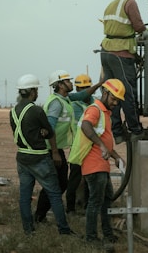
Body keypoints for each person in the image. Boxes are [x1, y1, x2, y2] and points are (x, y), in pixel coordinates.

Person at [9, 74, 73, 235]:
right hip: (39, 157)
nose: (37, 93)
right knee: (54, 193)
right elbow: (50, 133)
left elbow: (24, 132)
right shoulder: (36, 110)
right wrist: (54, 150)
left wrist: (40, 132)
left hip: (22, 157)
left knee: (25, 196)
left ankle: (28, 231)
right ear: (31, 92)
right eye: (36, 90)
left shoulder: (13, 111)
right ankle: (64, 230)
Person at [34, 69, 101, 223]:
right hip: (52, 150)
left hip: (57, 149)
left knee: (60, 183)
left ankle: (41, 215)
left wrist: (100, 83)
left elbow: (83, 95)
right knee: (56, 184)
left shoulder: (66, 99)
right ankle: (40, 216)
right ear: (60, 84)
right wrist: (55, 152)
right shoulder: (56, 104)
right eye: (68, 81)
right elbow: (49, 129)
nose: (71, 83)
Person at [100, 0, 146, 144]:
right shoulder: (130, 3)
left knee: (112, 93)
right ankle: (135, 130)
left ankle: (117, 132)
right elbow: (139, 27)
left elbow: (118, 29)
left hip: (106, 52)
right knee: (128, 93)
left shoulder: (111, 4)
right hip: (120, 54)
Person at [81, 79, 125, 249]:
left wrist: (115, 156)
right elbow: (86, 126)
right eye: (113, 99)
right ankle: (91, 238)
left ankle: (107, 233)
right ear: (105, 93)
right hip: (94, 165)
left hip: (102, 165)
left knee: (106, 200)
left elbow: (104, 140)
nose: (115, 103)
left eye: (118, 101)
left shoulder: (105, 112)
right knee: (96, 202)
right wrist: (100, 146)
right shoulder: (95, 109)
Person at [66, 74, 102, 215]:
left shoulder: (94, 103)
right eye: (81, 88)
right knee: (74, 179)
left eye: (87, 88)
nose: (85, 91)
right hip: (78, 147)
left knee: (90, 178)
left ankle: (88, 206)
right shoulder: (74, 105)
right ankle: (70, 208)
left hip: (91, 148)